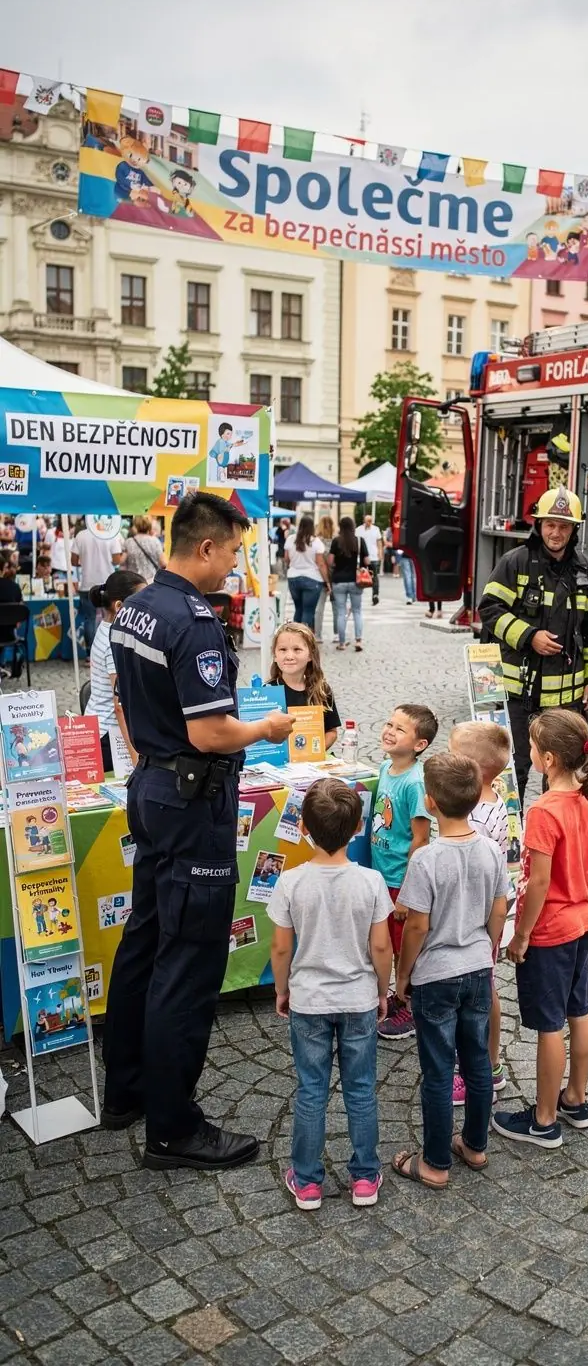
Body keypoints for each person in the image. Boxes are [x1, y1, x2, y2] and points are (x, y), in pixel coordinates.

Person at [102, 490, 293, 1170]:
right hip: (190, 802)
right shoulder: (193, 620)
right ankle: (174, 1127)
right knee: (187, 962)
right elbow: (211, 731)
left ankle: (123, 1092)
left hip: (153, 785)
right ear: (205, 547)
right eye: (235, 551)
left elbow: (129, 700)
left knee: (145, 939)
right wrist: (268, 728)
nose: (236, 564)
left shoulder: (136, 609)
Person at [269, 778, 393, 1210]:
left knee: (311, 1090)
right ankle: (364, 1177)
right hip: (358, 999)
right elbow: (381, 947)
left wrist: (283, 989)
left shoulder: (290, 883)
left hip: (309, 1000)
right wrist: (383, 990)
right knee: (361, 1090)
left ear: (303, 828)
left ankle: (306, 1181)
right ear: (358, 826)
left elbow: (282, 946)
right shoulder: (372, 882)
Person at [391, 753, 508, 1188]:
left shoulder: (426, 860)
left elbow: (417, 924)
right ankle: (475, 1145)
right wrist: (488, 948)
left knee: (439, 1070)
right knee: (477, 1059)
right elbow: (499, 908)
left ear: (430, 802)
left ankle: (435, 1163)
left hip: (435, 976)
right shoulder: (492, 849)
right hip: (478, 968)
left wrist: (403, 976)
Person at [493, 709, 588, 1149]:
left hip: (551, 930)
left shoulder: (543, 811)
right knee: (580, 1011)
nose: (529, 752)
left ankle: (543, 1120)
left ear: (549, 759)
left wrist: (521, 936)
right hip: (582, 920)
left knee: (549, 1025)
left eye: (533, 746)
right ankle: (575, 1099)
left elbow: (537, 881)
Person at [477, 485, 588, 807]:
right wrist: (528, 636)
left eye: (564, 526)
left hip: (565, 696)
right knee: (515, 766)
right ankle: (512, 837)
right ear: (539, 525)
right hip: (520, 691)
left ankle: (555, 838)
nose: (556, 532)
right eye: (550, 524)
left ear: (574, 529)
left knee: (563, 771)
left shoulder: (584, 571)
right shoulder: (515, 562)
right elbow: (490, 608)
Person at [449, 720, 512, 1098]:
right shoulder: (489, 800)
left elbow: (474, 873)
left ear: (472, 769)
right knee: (483, 991)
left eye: (453, 753)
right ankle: (486, 1062)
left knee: (480, 995)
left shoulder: (477, 816)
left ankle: (483, 1069)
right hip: (480, 912)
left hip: (477, 916)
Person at [372, 704, 438, 1040]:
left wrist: (408, 896)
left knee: (404, 948)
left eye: (399, 729)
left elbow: (421, 839)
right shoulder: (385, 767)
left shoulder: (415, 782)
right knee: (384, 942)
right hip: (381, 876)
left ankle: (408, 1007)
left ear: (419, 745)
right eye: (388, 723)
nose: (389, 731)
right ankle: (392, 996)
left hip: (400, 881)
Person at [84, 570, 145, 772]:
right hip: (108, 738)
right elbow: (120, 704)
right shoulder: (114, 641)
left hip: (101, 731)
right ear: (119, 607)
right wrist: (136, 759)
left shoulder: (106, 630)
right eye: (141, 602)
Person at [268, 623, 341, 750]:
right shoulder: (267, 691)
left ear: (310, 655)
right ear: (275, 655)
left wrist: (314, 752)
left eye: (297, 649)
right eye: (283, 650)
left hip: (311, 763)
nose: (289, 656)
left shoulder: (322, 690)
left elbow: (331, 732)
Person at [71, 518, 125, 652]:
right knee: (112, 617)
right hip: (108, 583)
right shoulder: (111, 535)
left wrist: (86, 561)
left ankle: (90, 654)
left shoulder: (81, 535)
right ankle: (111, 650)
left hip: (87, 584)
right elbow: (117, 560)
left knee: (89, 619)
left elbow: (73, 561)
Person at [285, 515, 331, 631]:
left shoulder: (291, 539)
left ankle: (295, 636)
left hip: (293, 578)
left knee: (298, 609)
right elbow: (320, 564)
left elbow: (286, 559)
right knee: (308, 611)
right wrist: (327, 582)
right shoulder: (316, 542)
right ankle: (304, 639)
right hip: (312, 579)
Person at [329, 516, 367, 652]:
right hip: (356, 581)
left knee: (341, 612)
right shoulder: (359, 541)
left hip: (338, 580)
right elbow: (367, 561)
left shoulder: (336, 541)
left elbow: (330, 561)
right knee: (357, 611)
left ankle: (342, 642)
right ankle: (358, 640)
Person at [313, 515, 336, 642]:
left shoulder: (316, 541)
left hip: (320, 576)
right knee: (337, 608)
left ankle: (318, 635)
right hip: (335, 577)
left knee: (319, 609)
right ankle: (337, 634)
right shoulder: (335, 540)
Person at [124, 515, 166, 583]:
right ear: (149, 526)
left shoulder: (128, 542)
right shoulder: (155, 541)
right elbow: (163, 563)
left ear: (135, 527)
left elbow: (122, 562)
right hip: (151, 581)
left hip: (134, 582)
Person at [356, 514, 383, 605]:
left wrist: (380, 552)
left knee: (374, 576)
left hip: (373, 556)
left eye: (370, 520)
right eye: (368, 520)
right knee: (360, 576)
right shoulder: (358, 530)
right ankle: (358, 594)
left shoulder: (376, 529)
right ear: (364, 520)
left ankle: (375, 595)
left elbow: (379, 542)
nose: (369, 522)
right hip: (362, 557)